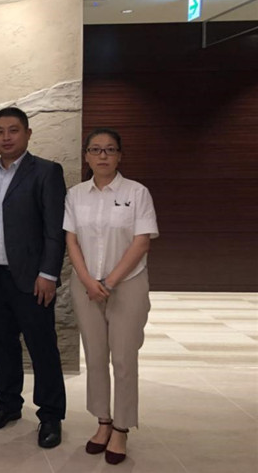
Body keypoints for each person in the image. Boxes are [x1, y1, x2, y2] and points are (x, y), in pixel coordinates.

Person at [64, 128, 158, 465]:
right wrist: (89, 281)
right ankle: (103, 421)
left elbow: (142, 241)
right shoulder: (75, 195)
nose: (102, 155)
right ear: (86, 156)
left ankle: (121, 427)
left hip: (127, 284)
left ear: (120, 155)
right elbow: (72, 241)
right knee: (95, 356)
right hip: (86, 286)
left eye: (110, 149)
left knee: (123, 358)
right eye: (95, 149)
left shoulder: (137, 192)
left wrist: (109, 281)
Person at [0, 107, 67, 449]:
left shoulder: (46, 171)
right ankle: (8, 404)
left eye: (13, 130)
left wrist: (48, 273)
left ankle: (51, 415)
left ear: (28, 133)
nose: (6, 137)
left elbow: (55, 229)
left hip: (33, 278)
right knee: (2, 345)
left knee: (42, 347)